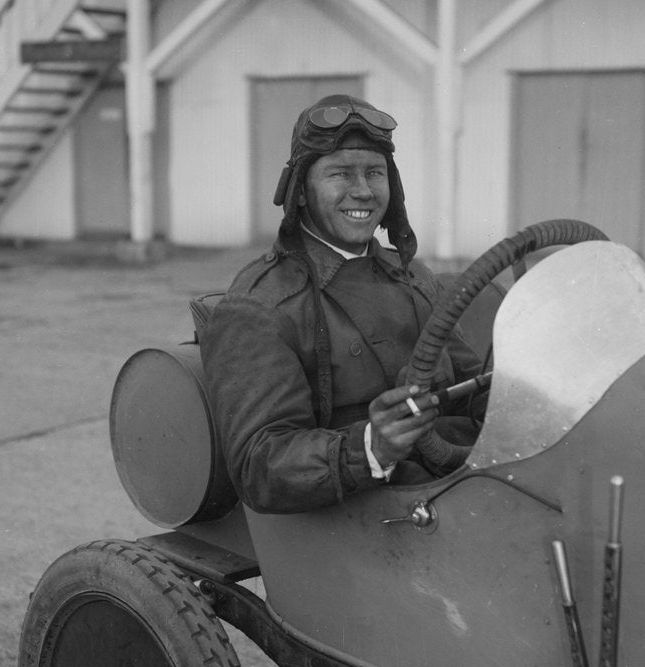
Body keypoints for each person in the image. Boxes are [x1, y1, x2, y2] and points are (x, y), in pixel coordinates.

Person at [199, 95, 485, 514]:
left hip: (452, 490)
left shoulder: (416, 278)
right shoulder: (260, 306)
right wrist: (370, 447)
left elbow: (474, 388)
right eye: (340, 174)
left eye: (374, 173)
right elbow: (259, 467)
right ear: (301, 191)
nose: (363, 191)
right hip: (353, 518)